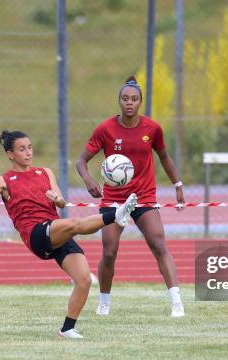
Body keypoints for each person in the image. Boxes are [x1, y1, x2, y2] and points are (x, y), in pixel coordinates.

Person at [0, 130, 138, 339]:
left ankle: (67, 329)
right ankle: (115, 214)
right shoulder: (3, 180)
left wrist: (56, 198)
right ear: (10, 154)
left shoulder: (45, 172)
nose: (28, 152)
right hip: (34, 233)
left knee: (84, 280)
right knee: (74, 224)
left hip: (54, 228)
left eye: (30, 147)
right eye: (22, 149)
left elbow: (61, 202)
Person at [76, 76, 186, 318]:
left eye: (134, 99)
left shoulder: (152, 129)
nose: (129, 103)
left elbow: (164, 157)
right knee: (109, 252)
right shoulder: (105, 129)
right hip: (114, 200)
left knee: (158, 244)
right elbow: (81, 160)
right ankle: (104, 302)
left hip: (143, 197)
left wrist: (177, 184)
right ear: (119, 101)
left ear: (140, 102)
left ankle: (177, 303)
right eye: (125, 99)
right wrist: (89, 180)